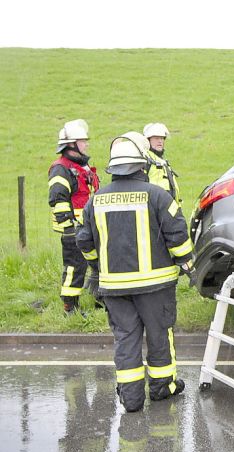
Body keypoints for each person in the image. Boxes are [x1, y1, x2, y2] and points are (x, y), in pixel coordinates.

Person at [76, 132, 194, 413]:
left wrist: (96, 267)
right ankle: (162, 388)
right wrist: (187, 263)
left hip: (114, 287)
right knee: (159, 335)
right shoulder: (157, 196)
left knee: (126, 338)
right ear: (142, 165)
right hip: (156, 287)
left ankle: (131, 399)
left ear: (114, 168)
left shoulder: (96, 200)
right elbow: (177, 235)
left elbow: (84, 241)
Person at [48, 119, 100, 313]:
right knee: (75, 267)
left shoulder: (81, 167)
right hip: (74, 229)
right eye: (83, 141)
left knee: (96, 263)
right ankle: (70, 308)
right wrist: (69, 228)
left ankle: (98, 300)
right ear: (71, 144)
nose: (86, 144)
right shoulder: (60, 168)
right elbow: (58, 199)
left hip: (90, 226)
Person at [143, 122, 182, 209]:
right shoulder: (145, 159)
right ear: (147, 140)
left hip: (168, 209)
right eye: (156, 138)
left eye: (162, 138)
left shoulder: (161, 161)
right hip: (154, 209)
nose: (160, 141)